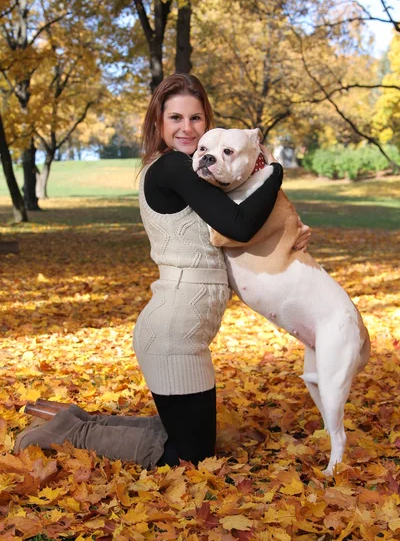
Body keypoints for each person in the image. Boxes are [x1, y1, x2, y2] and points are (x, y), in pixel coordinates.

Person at [15, 74, 310, 468]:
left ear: (208, 122)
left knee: (188, 437)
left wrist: (290, 230)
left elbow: (234, 231)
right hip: (173, 331)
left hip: (183, 325)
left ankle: (78, 421)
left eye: (196, 118)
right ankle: (72, 433)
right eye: (175, 118)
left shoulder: (194, 170)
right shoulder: (173, 167)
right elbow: (239, 225)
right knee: (189, 456)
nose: (186, 128)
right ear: (158, 122)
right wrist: (274, 173)